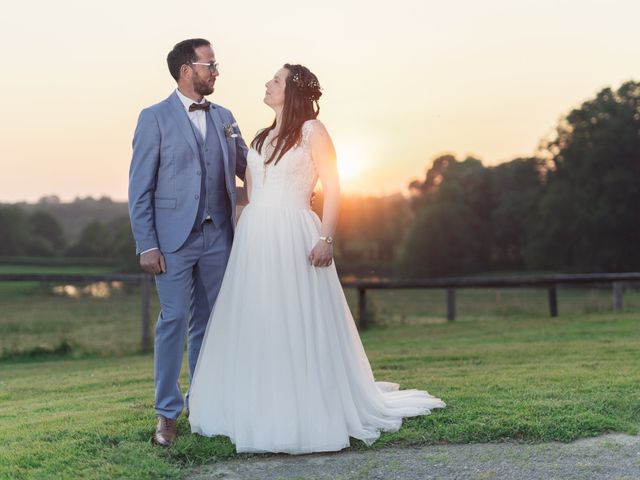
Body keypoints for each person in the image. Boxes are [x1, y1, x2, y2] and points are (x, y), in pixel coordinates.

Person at [188, 64, 445, 454]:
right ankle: (256, 403)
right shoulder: (261, 136)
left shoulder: (312, 132)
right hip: (256, 237)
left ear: (291, 91)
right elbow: (252, 193)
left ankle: (304, 404)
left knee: (295, 315)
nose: (267, 84)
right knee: (261, 318)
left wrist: (326, 236)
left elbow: (335, 185)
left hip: (294, 232)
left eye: (274, 80)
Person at [128, 38, 248, 447]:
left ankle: (205, 404)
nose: (216, 71)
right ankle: (166, 414)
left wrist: (294, 177)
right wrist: (147, 244)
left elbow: (249, 169)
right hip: (172, 241)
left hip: (219, 237)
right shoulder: (154, 118)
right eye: (210, 64)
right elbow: (139, 188)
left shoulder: (226, 117)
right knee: (174, 321)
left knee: (211, 325)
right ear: (186, 70)